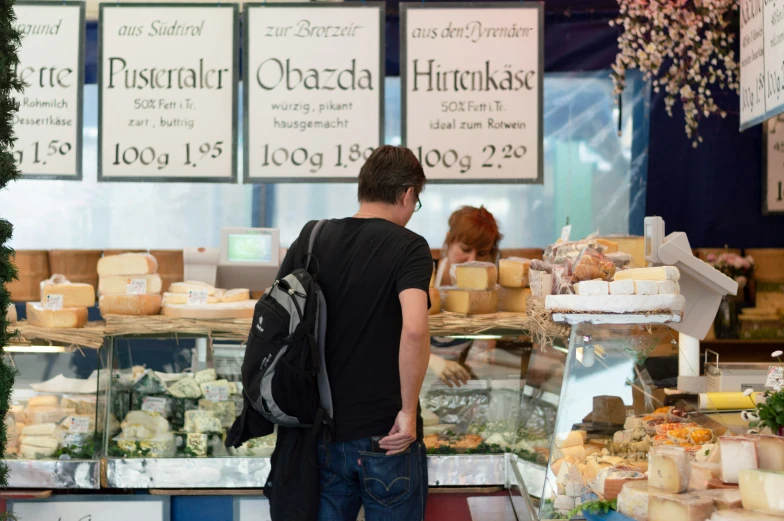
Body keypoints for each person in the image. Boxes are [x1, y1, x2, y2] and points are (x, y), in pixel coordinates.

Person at [274, 146, 432, 521]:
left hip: (322, 433)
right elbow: (414, 329)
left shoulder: (312, 238)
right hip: (388, 434)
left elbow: (281, 320)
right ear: (408, 194)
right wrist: (408, 412)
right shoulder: (409, 247)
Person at [428, 206, 503, 388]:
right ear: (449, 240)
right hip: (421, 377)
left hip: (463, 383)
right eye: (465, 249)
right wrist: (431, 361)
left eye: (482, 253)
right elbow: (399, 335)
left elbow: (482, 354)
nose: (472, 259)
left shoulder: (490, 289)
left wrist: (481, 357)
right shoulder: (426, 275)